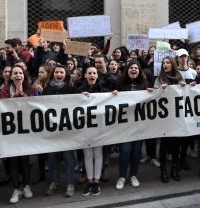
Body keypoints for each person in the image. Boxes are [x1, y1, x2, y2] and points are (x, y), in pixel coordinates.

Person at [112, 60, 153, 190]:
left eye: (136, 68)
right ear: (127, 70)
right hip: (124, 125)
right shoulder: (119, 83)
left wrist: (153, 92)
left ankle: (134, 175)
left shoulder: (144, 84)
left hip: (139, 125)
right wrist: (113, 94)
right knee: (125, 151)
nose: (133, 70)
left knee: (136, 152)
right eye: (131, 68)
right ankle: (122, 176)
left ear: (139, 71)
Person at [0, 66, 34, 204]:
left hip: (25, 130)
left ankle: (26, 185)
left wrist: (21, 94)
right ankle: (16, 189)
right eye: (15, 73)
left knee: (24, 160)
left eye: (20, 73)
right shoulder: (4, 91)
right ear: (10, 76)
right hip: (10, 131)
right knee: (13, 161)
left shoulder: (30, 89)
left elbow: (33, 106)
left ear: (24, 75)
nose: (18, 75)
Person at [43, 65, 78, 197]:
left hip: (67, 129)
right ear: (53, 74)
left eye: (61, 72)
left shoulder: (71, 89)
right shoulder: (47, 89)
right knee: (52, 157)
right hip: (53, 130)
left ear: (65, 74)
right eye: (57, 72)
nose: (59, 74)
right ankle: (54, 181)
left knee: (69, 157)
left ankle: (70, 183)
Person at [76, 66, 108, 196]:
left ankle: (96, 182)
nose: (92, 75)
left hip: (99, 127)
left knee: (98, 154)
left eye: (94, 73)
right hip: (85, 128)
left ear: (97, 75)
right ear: (85, 75)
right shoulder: (79, 89)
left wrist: (114, 94)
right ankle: (90, 181)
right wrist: (79, 97)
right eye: (89, 73)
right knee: (88, 155)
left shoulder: (103, 89)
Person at [154, 57, 186, 183]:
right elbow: (155, 96)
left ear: (172, 64)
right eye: (163, 63)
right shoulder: (159, 79)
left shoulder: (179, 77)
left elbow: (186, 95)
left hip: (177, 115)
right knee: (164, 143)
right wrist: (159, 90)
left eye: (167, 63)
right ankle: (163, 169)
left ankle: (174, 167)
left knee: (176, 143)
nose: (165, 65)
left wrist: (184, 87)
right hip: (164, 116)